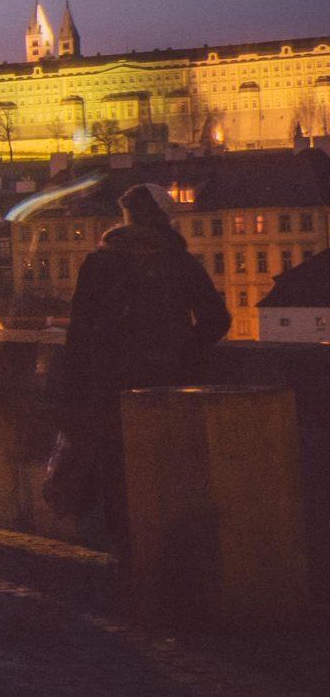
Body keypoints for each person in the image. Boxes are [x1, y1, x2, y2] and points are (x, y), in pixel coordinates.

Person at [57, 184, 230, 540]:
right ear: (166, 221)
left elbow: (79, 335)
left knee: (119, 475)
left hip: (110, 387)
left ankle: (126, 554)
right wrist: (183, 348)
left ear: (125, 218)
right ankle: (168, 555)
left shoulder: (98, 262)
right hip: (169, 384)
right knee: (168, 472)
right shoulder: (177, 261)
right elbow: (216, 319)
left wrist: (75, 390)